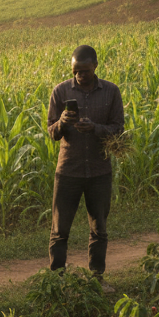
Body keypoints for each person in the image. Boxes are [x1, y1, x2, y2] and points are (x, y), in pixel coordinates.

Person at [46, 45, 125, 276]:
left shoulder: (111, 91)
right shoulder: (60, 92)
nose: (79, 75)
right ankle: (56, 282)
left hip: (99, 171)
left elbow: (118, 129)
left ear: (95, 66)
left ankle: (96, 278)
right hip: (68, 170)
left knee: (99, 229)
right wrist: (61, 122)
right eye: (75, 71)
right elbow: (52, 133)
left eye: (85, 70)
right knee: (59, 231)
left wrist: (95, 129)